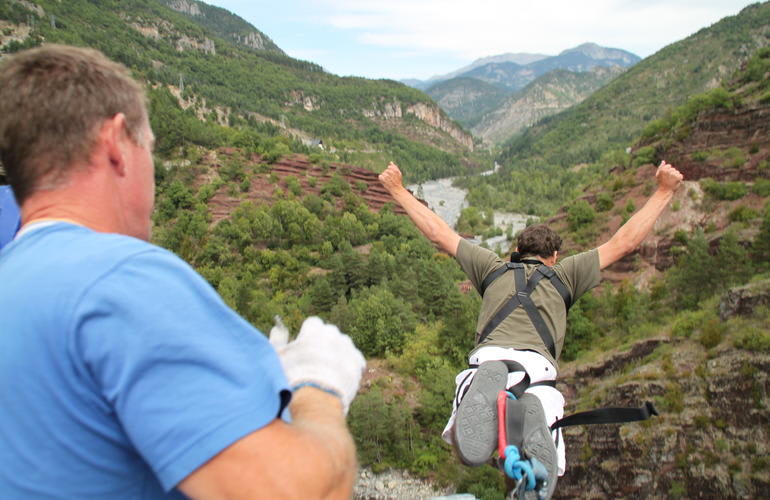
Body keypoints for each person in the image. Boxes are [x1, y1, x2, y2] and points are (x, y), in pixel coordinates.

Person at [0, 44, 366, 500]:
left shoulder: (13, 276)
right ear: (116, 146)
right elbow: (303, 492)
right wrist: (318, 386)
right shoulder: (123, 279)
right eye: (148, 148)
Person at [379, 160, 683, 497]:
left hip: (489, 358)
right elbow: (624, 242)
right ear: (554, 256)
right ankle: (527, 465)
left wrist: (396, 189)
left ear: (517, 252)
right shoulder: (567, 274)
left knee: (467, 445)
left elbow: (439, 233)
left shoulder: (492, 268)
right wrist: (664, 191)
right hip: (538, 372)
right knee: (534, 464)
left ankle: (484, 388)